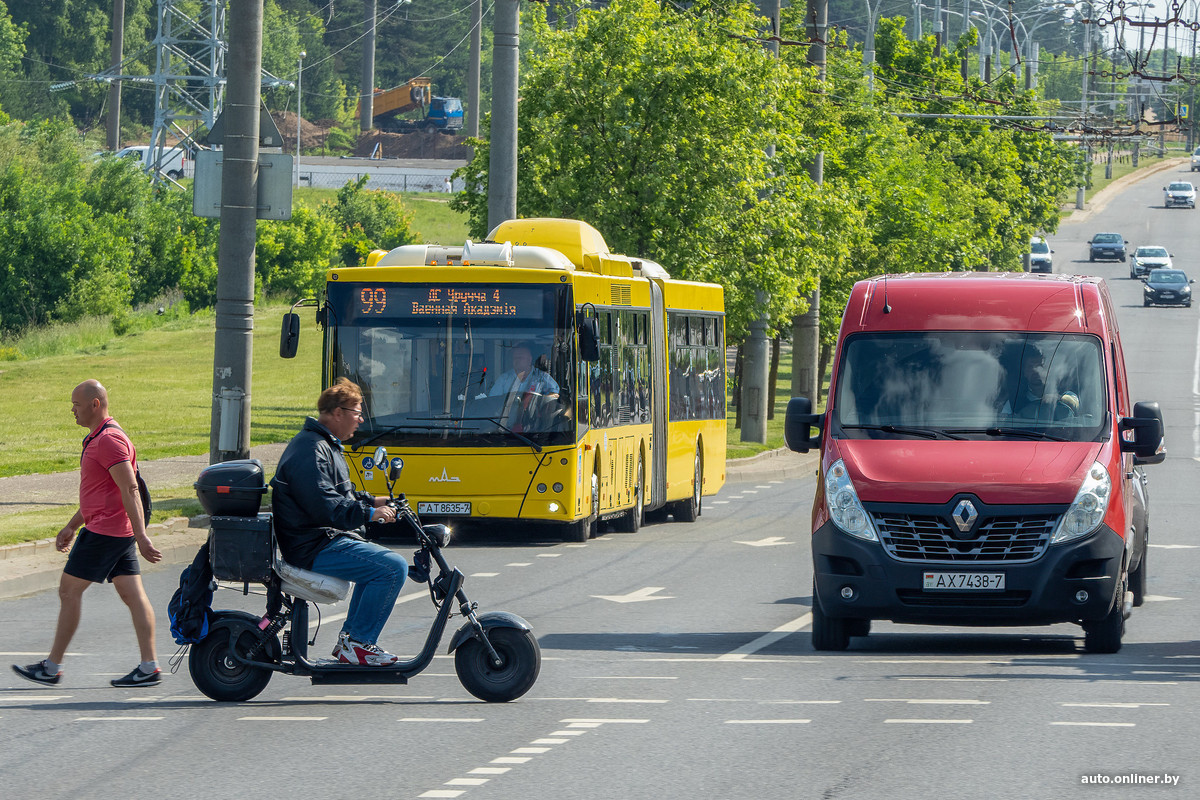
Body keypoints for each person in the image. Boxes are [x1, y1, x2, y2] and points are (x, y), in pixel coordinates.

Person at [12, 380, 164, 688]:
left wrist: (142, 535)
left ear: (95, 404)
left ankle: (51, 667)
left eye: (77, 405)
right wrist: (72, 525)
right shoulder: (97, 437)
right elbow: (101, 494)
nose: (72, 410)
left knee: (69, 591)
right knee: (132, 596)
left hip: (107, 533)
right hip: (112, 529)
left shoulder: (109, 440)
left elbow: (130, 488)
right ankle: (149, 667)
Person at [269, 378, 409, 666]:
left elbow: (337, 494)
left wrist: (372, 501)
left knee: (380, 566)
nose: (360, 421)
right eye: (357, 413)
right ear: (337, 413)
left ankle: (351, 641)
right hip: (313, 545)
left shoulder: (323, 445)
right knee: (392, 568)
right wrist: (368, 514)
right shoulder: (311, 450)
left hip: (320, 539)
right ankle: (357, 643)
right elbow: (324, 506)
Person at [487, 342, 560, 399]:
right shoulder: (504, 379)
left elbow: (555, 395)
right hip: (508, 416)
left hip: (534, 417)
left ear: (529, 359)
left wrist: (543, 399)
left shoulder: (542, 377)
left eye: (520, 357)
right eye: (515, 357)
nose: (517, 360)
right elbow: (493, 400)